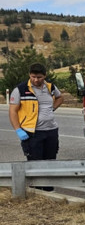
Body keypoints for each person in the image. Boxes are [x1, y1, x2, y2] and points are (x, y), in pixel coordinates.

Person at [8, 63, 63, 191]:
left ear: (45, 76)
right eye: (33, 77)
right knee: (35, 164)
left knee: (50, 163)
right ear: (29, 75)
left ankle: (49, 192)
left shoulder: (51, 87)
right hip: (32, 133)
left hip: (51, 131)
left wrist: (53, 108)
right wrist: (18, 129)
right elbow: (12, 111)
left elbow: (60, 97)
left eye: (39, 77)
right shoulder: (21, 89)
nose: (35, 80)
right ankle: (38, 193)